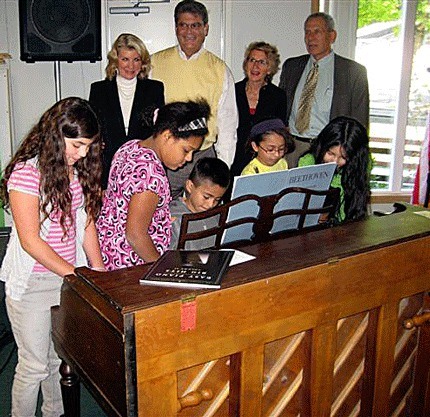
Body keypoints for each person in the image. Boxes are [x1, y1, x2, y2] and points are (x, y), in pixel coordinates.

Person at [0, 97, 105, 417]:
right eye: (76, 144)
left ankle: (54, 414)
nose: (83, 153)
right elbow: (31, 241)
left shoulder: (79, 172)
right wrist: (75, 274)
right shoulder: (26, 173)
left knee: (57, 360)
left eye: (88, 146)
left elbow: (87, 225)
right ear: (54, 135)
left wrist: (99, 274)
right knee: (33, 366)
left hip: (65, 281)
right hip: (32, 282)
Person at [97, 99, 211, 270]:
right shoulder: (150, 174)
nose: (189, 159)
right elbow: (135, 235)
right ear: (167, 136)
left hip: (108, 252)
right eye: (186, 150)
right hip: (131, 264)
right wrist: (163, 269)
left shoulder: (130, 147)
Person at [151, 0, 238, 199]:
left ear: (206, 29)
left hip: (203, 156)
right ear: (176, 28)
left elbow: (228, 123)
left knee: (202, 217)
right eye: (183, 25)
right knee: (164, 212)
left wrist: (222, 166)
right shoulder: (154, 64)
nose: (189, 31)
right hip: (167, 158)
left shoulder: (220, 70)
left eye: (196, 25)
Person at [279, 12, 369, 168]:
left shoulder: (353, 72)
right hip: (293, 147)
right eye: (307, 32)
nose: (310, 37)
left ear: (332, 36)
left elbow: (359, 120)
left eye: (317, 32)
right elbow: (280, 106)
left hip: (328, 150)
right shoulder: (292, 66)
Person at [89, 33, 165, 188]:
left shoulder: (155, 89)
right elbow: (92, 128)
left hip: (143, 166)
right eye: (125, 59)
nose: (131, 66)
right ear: (115, 60)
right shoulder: (98, 90)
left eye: (136, 59)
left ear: (142, 62)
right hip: (108, 166)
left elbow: (159, 130)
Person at [298, 116, 371, 223]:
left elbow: (357, 207)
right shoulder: (308, 163)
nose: (334, 162)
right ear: (322, 147)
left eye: (343, 157)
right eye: (330, 153)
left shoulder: (357, 168)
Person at [231, 41, 287, 178]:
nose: (255, 66)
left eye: (262, 62)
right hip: (234, 158)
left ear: (269, 69)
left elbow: (280, 132)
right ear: (246, 64)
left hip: (266, 162)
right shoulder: (232, 91)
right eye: (252, 60)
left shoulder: (278, 96)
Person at [170, 157, 230, 250]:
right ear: (190, 186)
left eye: (217, 199)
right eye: (206, 197)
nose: (211, 205)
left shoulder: (218, 215)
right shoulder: (173, 218)